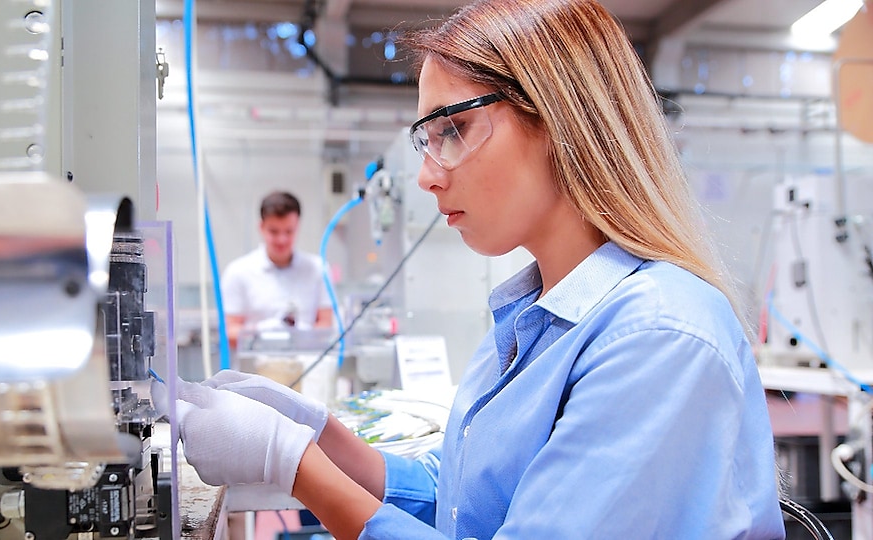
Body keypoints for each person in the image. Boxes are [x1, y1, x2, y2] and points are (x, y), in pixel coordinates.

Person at [159, 1, 786, 538]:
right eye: (426, 141)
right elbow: (462, 498)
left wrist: (292, 465)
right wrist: (324, 437)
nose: (429, 175)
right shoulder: (531, 318)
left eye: (454, 129)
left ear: (559, 121)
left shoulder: (656, 340)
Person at [220, 190, 333, 350]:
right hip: (256, 370)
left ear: (297, 226)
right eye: (274, 231)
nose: (282, 240)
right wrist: (259, 332)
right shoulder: (238, 272)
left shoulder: (318, 269)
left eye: (289, 231)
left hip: (306, 366)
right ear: (261, 227)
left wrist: (304, 335)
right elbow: (229, 332)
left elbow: (326, 324)